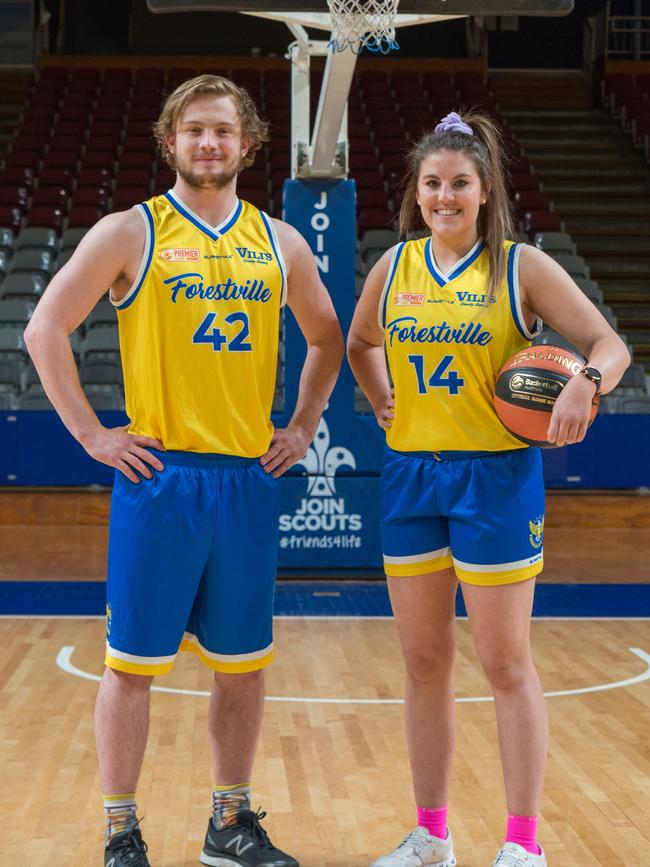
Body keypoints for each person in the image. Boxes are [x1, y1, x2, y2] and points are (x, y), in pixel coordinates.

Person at [25, 74, 343, 867]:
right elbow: (45, 328)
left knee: (241, 670)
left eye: (223, 131)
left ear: (248, 143)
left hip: (244, 480)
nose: (209, 143)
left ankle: (228, 825)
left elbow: (329, 337)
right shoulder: (129, 231)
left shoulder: (281, 241)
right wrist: (93, 435)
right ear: (170, 142)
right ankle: (120, 829)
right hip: (160, 479)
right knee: (130, 667)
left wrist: (302, 426)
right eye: (194, 130)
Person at [347, 110, 630, 867]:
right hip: (410, 475)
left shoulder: (521, 267)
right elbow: (359, 341)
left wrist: (586, 385)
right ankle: (432, 835)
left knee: (506, 664)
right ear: (415, 190)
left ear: (485, 189)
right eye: (432, 183)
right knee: (424, 663)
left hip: (496, 478)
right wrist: (380, 397)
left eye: (459, 184)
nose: (445, 196)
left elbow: (611, 343)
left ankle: (522, 844)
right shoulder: (394, 267)